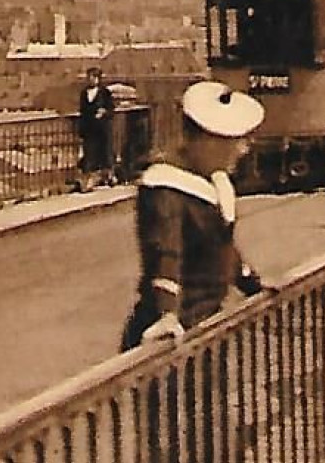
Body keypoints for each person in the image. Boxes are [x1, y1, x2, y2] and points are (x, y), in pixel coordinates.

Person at [120, 81, 268, 350]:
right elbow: (167, 252)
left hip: (204, 328)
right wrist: (168, 314)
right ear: (207, 141)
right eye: (235, 141)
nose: (243, 150)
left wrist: (253, 284)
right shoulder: (165, 187)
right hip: (171, 334)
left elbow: (221, 247)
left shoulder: (215, 183)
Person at [76, 66, 116, 190]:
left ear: (98, 79)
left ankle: (108, 176)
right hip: (89, 128)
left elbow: (111, 109)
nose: (90, 80)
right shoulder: (84, 93)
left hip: (102, 128)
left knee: (105, 153)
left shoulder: (104, 92)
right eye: (89, 77)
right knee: (89, 154)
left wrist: (104, 112)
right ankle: (88, 180)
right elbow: (82, 111)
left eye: (93, 77)